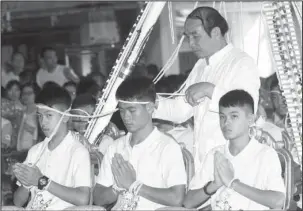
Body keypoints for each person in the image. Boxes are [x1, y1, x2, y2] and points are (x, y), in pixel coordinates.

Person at [153, 7, 260, 170]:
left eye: (195, 36)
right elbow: (179, 111)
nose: (191, 43)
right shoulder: (201, 66)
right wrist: (147, 102)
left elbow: (246, 112)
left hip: (233, 162)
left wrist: (210, 90)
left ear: (216, 32)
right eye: (188, 37)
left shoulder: (242, 62)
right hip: (203, 163)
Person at [93, 77, 186, 210]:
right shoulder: (116, 147)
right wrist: (117, 187)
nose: (125, 117)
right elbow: (98, 198)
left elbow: (177, 198)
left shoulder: (167, 147)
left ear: (149, 107)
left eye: (131, 110)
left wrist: (133, 185)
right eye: (122, 110)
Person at [183, 90, 285, 210]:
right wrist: (214, 185)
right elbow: (188, 202)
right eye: (222, 117)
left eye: (234, 116)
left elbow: (278, 201)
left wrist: (233, 183)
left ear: (250, 120)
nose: (226, 122)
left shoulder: (265, 154)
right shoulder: (216, 154)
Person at [12, 85, 91, 210]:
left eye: (49, 115)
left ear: (65, 116)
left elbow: (83, 199)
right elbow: (17, 202)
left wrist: (41, 181)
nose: (43, 122)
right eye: (40, 116)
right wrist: (26, 184)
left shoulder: (78, 151)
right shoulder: (35, 151)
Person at [17, 82, 41, 151]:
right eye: (24, 93)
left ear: (35, 94)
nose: (26, 96)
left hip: (33, 150)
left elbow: (39, 133)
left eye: (29, 93)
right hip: (20, 150)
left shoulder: (39, 112)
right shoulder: (20, 111)